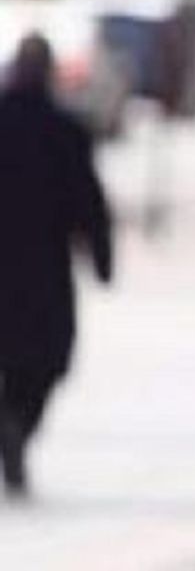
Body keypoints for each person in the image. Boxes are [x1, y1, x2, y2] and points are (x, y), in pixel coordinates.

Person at [0, 34, 114, 499]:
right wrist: (103, 256)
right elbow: (90, 202)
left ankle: (10, 426)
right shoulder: (65, 130)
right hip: (43, 270)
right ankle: (17, 424)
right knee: (45, 360)